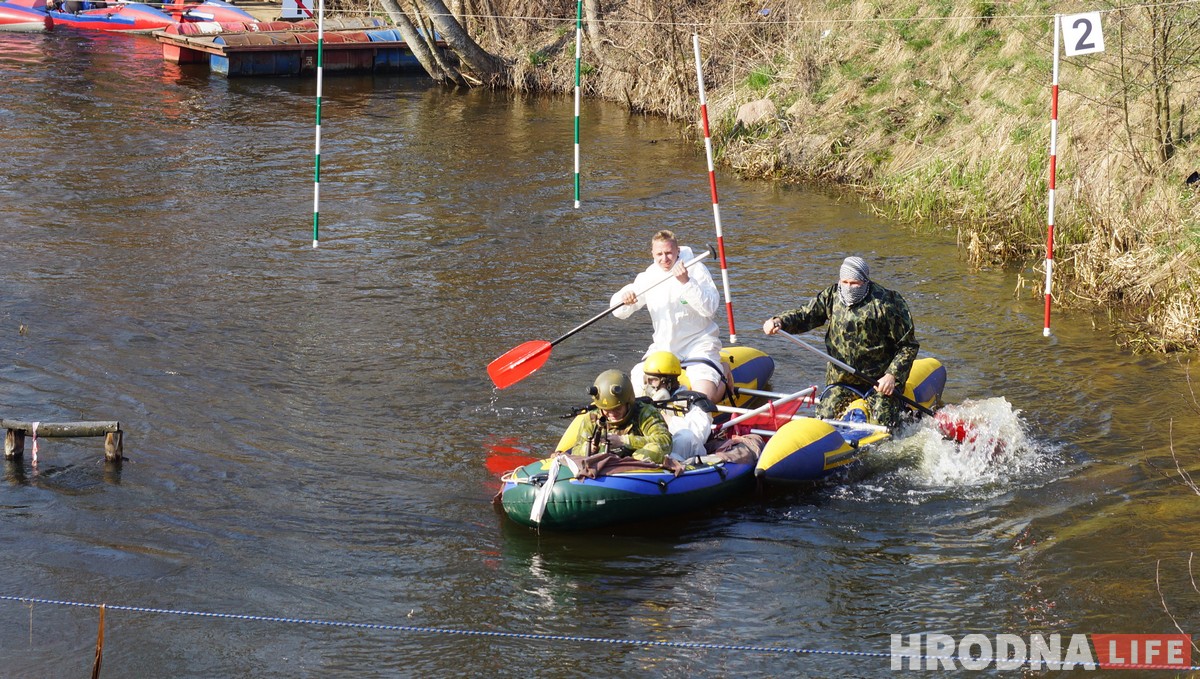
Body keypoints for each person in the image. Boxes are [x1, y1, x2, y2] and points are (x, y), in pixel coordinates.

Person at [762, 256, 919, 428]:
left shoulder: (887, 303)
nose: (849, 287)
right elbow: (806, 315)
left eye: (854, 283)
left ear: (865, 281)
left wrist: (892, 375)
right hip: (842, 380)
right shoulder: (831, 296)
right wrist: (780, 321)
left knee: (883, 422)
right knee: (825, 417)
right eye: (844, 282)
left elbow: (908, 346)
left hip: (878, 382)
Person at [611, 230, 726, 403]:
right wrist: (624, 299)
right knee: (638, 384)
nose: (664, 259)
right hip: (664, 348)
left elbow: (710, 308)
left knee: (705, 398)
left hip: (698, 345)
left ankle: (724, 371)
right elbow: (617, 311)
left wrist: (686, 282)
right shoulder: (649, 276)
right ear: (652, 253)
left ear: (677, 250)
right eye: (659, 254)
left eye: (669, 253)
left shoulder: (695, 268)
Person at [560, 369, 673, 464]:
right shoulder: (592, 418)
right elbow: (576, 450)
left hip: (637, 466)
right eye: (607, 410)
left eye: (617, 409)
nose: (612, 414)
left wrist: (623, 440)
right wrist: (591, 447)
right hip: (604, 466)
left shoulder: (646, 413)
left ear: (628, 403)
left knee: (653, 450)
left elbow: (664, 441)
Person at [640, 351, 718, 462]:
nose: (649, 386)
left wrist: (667, 420)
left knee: (685, 437)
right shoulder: (646, 401)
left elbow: (698, 435)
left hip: (687, 456)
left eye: (653, 380)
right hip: (656, 449)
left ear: (669, 382)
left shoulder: (694, 402)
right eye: (646, 380)